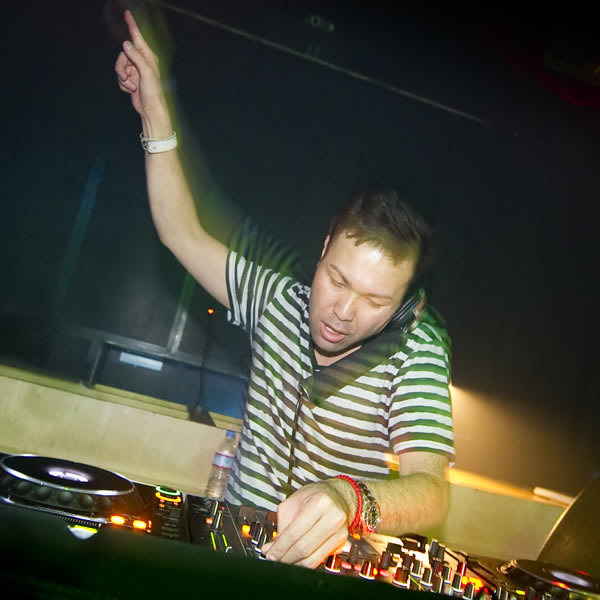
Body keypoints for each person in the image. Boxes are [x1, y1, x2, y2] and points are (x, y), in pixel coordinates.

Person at [115, 9, 454, 569]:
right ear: (323, 249)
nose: (342, 312)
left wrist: (350, 498)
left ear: (405, 307)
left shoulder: (416, 350)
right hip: (232, 556)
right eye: (338, 280)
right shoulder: (275, 300)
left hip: (327, 571)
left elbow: (433, 490)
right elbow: (180, 231)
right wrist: (154, 111)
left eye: (375, 301)